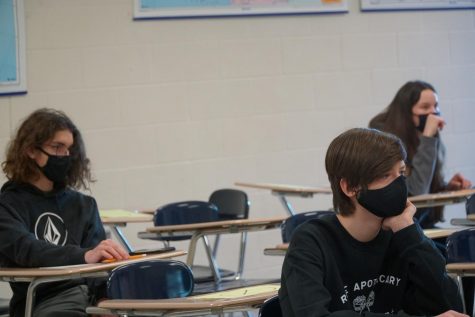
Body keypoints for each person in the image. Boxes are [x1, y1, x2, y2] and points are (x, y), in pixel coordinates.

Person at [279, 128, 466, 317]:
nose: (399, 184)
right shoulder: (310, 242)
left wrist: (410, 233)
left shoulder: (401, 235)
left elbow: (450, 305)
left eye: (401, 173)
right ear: (350, 187)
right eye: (385, 175)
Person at [0, 108, 129, 317]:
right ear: (31, 150)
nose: (65, 156)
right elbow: (28, 250)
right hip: (41, 301)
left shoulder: (84, 205)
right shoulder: (7, 205)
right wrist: (84, 255)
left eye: (68, 149)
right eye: (57, 147)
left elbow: (100, 270)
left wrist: (104, 301)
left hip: (88, 298)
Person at [369, 80, 471, 229]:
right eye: (425, 107)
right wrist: (428, 136)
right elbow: (417, 191)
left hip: (424, 223)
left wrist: (446, 187)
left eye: (436, 106)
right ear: (406, 112)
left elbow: (425, 188)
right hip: (400, 226)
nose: (433, 113)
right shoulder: (384, 139)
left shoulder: (421, 135)